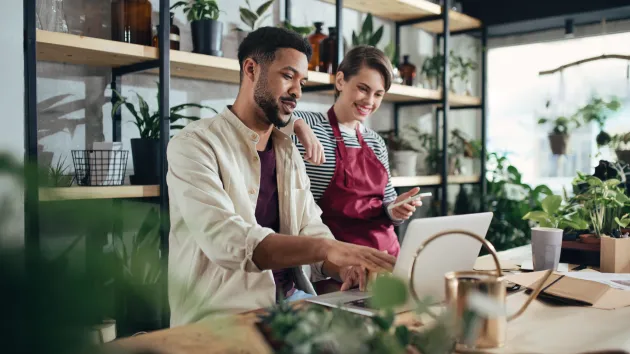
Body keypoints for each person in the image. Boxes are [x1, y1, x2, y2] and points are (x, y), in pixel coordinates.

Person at [166, 28, 396, 327]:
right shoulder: (195, 144)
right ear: (251, 69)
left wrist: (343, 267)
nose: (297, 92)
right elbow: (226, 240)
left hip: (291, 307)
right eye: (288, 76)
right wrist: (331, 248)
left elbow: (310, 228)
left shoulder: (287, 151)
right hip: (221, 320)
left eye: (302, 82)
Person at [290, 45, 423, 258]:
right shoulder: (310, 125)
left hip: (387, 255)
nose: (369, 101)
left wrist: (397, 209)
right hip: (337, 260)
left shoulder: (375, 141)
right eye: (363, 88)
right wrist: (297, 124)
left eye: (378, 94)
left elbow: (386, 206)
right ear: (341, 81)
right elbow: (268, 117)